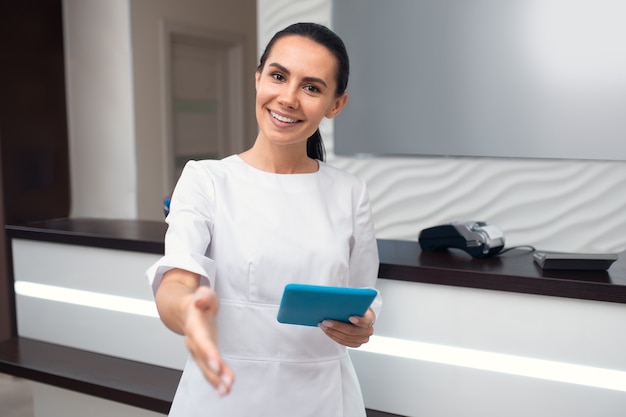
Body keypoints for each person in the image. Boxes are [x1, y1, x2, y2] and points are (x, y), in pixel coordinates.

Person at [145, 22, 381, 417]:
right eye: (277, 76)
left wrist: (363, 325)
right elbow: (178, 280)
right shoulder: (207, 179)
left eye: (311, 87)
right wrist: (190, 313)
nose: (287, 98)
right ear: (258, 79)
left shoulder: (350, 192)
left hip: (322, 396)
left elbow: (362, 293)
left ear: (335, 105)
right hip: (224, 393)